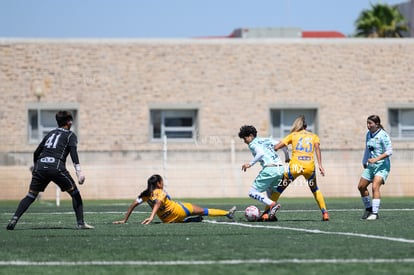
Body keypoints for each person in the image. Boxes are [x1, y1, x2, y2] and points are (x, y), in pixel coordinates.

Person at [6, 111, 93, 230]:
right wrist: (79, 173)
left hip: (41, 166)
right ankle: (81, 223)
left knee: (31, 195)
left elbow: (36, 152)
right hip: (56, 167)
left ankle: (14, 218)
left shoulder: (50, 134)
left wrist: (36, 167)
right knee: (75, 194)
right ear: (69, 122)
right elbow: (73, 154)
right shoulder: (70, 135)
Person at [113, 174, 236, 224]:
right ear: (159, 183)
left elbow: (133, 205)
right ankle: (227, 213)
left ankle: (193, 220)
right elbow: (158, 202)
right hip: (180, 210)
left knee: (179, 220)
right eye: (162, 181)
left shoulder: (145, 194)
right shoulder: (160, 192)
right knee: (205, 211)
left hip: (167, 219)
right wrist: (151, 217)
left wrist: (125, 219)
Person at [274, 115, 330, 221]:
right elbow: (317, 149)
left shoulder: (293, 135)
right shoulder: (314, 136)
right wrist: (320, 165)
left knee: (279, 189)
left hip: (295, 167)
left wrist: (272, 149)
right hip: (309, 168)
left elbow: (277, 147)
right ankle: (325, 213)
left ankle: (266, 213)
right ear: (306, 126)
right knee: (315, 189)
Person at [238, 125, 289, 221]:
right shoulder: (266, 140)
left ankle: (272, 205)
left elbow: (260, 153)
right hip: (280, 168)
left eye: (245, 138)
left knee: (252, 192)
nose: (244, 141)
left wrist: (250, 164)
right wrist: (287, 157)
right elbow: (283, 145)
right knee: (270, 192)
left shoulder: (252, 144)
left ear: (251, 136)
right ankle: (271, 214)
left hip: (270, 169)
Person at [357, 115, 392, 220]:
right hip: (371, 165)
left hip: (382, 166)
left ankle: (375, 214)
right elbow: (367, 149)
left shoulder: (383, 135)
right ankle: (368, 209)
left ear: (377, 124)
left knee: (375, 187)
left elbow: (389, 151)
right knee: (361, 187)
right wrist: (364, 160)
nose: (368, 126)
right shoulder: (368, 134)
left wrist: (376, 159)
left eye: (370, 123)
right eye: (367, 123)